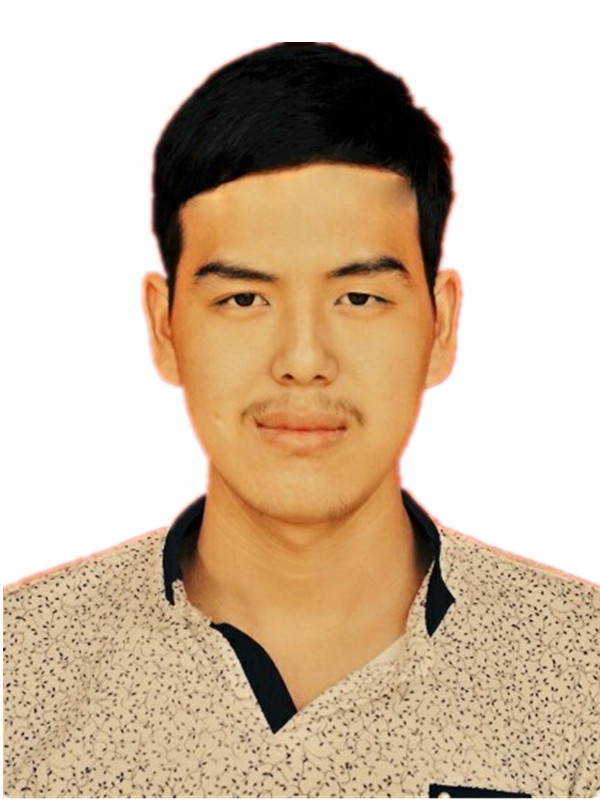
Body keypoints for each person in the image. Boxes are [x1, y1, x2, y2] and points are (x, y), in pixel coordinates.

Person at [3, 41, 599, 800]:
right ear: (165, 327)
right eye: (244, 299)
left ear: (442, 324)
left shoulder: (581, 676)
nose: (304, 359)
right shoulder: (20, 672)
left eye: (359, 298)